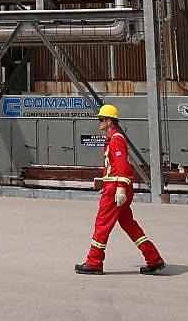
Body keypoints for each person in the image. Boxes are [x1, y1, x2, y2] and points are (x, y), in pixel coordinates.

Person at [75, 104, 167, 275]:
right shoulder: (112, 139)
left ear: (110, 121)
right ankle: (154, 259)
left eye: (101, 119)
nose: (99, 122)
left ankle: (94, 262)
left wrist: (120, 189)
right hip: (113, 187)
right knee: (129, 225)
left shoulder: (116, 139)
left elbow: (123, 167)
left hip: (115, 190)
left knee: (102, 225)